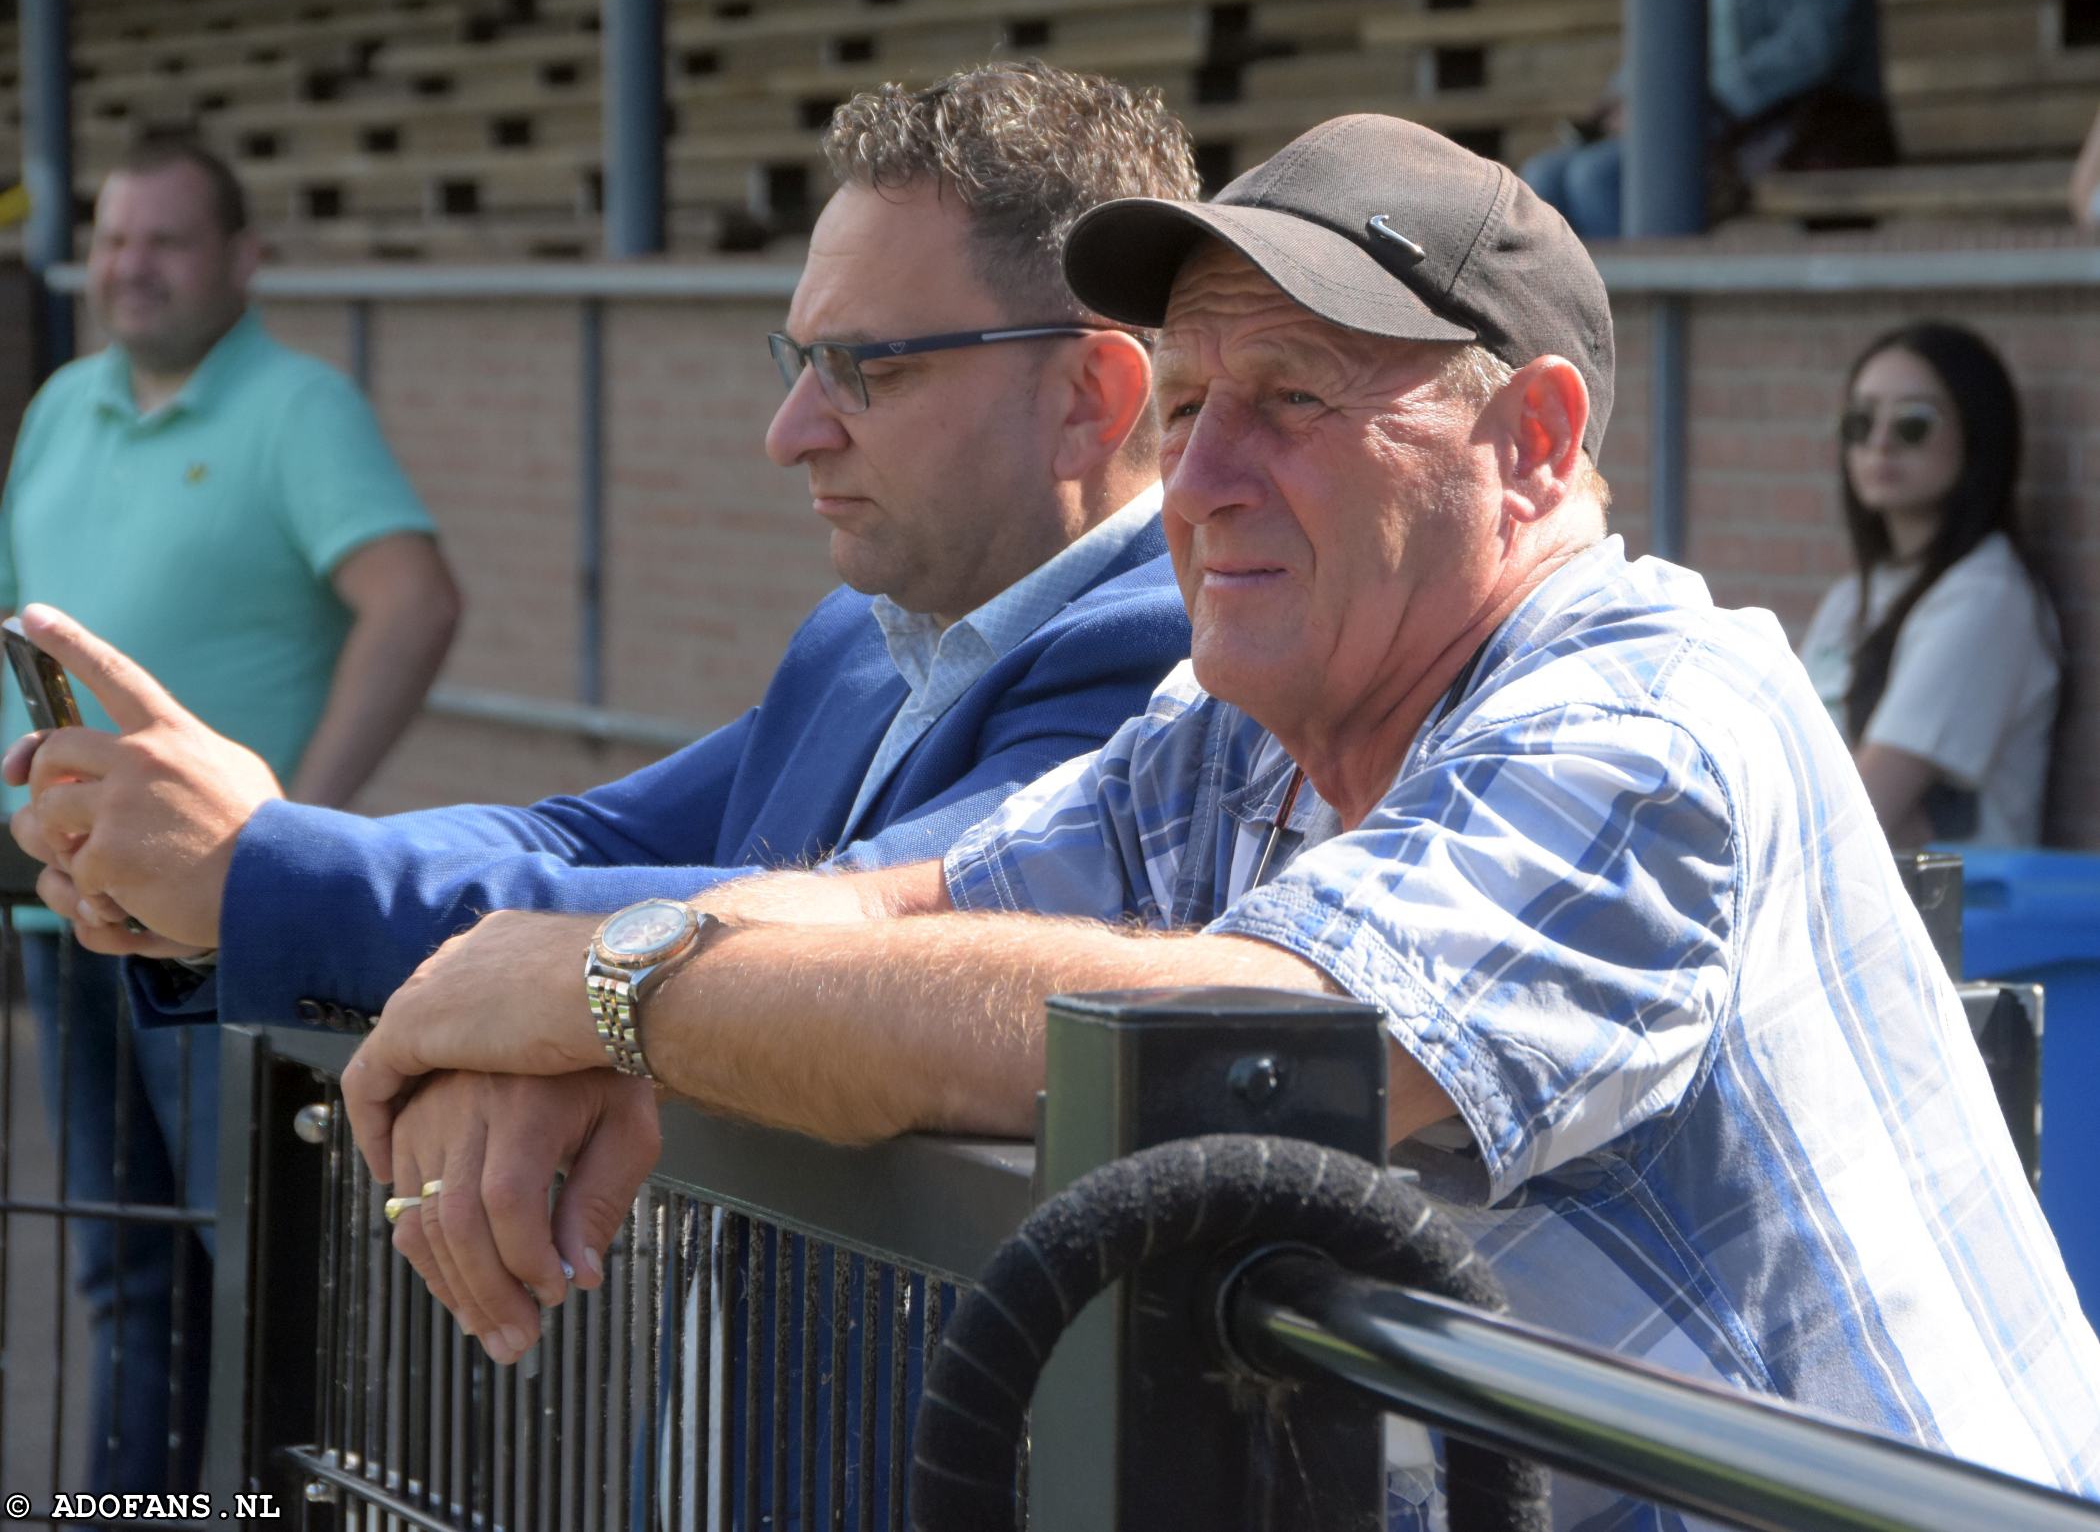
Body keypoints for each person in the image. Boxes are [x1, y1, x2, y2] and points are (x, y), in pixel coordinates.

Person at [321, 113, 2100, 1526]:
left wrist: (599, 992)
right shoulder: (1241, 720)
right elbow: (891, 914)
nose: (1206, 480)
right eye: (1186, 407)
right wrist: (582, 1007)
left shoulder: (1644, 718)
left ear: (1536, 444)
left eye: (1298, 401)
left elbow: (1245, 1045)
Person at [8, 55, 1195, 1268]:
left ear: (1087, 396)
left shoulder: (1163, 665)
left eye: (868, 369)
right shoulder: (870, 627)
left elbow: (846, 953)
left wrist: (269, 873)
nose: (789, 436)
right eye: (797, 363)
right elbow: (595, 847)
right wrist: (232, 869)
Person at [0, 131, 460, 1497]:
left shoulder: (297, 409)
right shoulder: (62, 403)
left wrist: (281, 840)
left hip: (212, 941)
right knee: (122, 1269)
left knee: (260, 1273)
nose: (132, 266)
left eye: (169, 240)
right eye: (116, 237)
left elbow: (415, 600)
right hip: (63, 911)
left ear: (243, 261)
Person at [1794, 322, 2060, 848]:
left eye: (1915, 422)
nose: (1882, 442)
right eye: (1861, 422)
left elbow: (1859, 813)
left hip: (1948, 923)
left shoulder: (1986, 596)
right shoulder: (1852, 599)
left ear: (1976, 435)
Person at [1523, 0, 1895, 238]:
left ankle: (1632, 326)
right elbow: (1663, 38)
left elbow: (1816, 44)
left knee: (1596, 177)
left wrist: (1710, 100)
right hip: (1703, 119)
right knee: (1544, 175)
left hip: (1791, 117)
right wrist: (1624, 99)